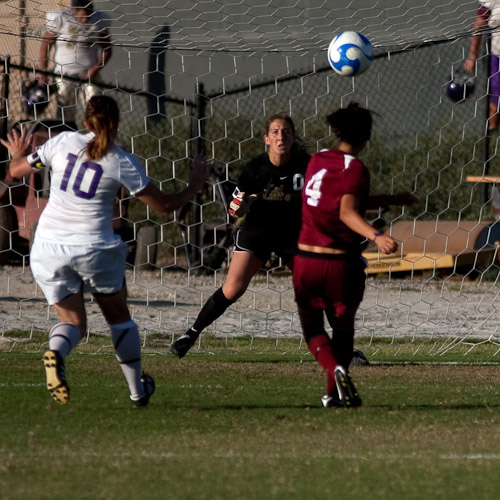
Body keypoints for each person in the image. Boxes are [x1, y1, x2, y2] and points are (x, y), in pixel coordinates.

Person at [0, 95, 209, 407]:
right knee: (118, 318)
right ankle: (138, 391)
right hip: (94, 248)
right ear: (117, 123)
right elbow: (165, 206)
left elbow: (15, 171)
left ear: (85, 122)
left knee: (73, 323)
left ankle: (55, 353)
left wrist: (18, 153)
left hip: (48, 247)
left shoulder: (62, 142)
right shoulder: (120, 160)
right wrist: (193, 185)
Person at [293, 102, 416, 408]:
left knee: (312, 327)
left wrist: (392, 199)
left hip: (306, 259)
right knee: (343, 329)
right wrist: (376, 235)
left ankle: (333, 377)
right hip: (340, 264)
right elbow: (346, 210)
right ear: (367, 137)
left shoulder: (317, 160)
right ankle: (336, 381)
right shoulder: (357, 169)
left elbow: (335, 200)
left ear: (337, 131)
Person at [170, 113, 310, 358]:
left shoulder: (306, 164)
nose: (281, 136)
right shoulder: (255, 168)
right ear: (266, 139)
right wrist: (242, 205)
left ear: (293, 136)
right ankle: (190, 334)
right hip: (258, 232)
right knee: (233, 288)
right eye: (275, 132)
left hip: (291, 233)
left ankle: (341, 348)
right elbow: (233, 210)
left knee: (312, 289)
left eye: (286, 131)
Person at [38, 0, 112, 123]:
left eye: (88, 16)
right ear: (75, 12)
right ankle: (65, 134)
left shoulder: (99, 21)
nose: (84, 20)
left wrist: (94, 70)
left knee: (95, 107)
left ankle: (94, 136)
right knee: (65, 108)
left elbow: (107, 50)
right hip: (64, 72)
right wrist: (43, 73)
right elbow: (45, 44)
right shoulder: (61, 19)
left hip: (88, 73)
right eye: (82, 17)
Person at [464, 2, 500, 130]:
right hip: (497, 57)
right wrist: (472, 56)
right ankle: (492, 132)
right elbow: (479, 23)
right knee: (495, 104)